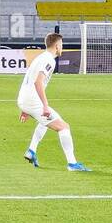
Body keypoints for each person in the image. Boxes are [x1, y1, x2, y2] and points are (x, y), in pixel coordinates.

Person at [18, 33, 89, 171]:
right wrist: (44, 106)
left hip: (25, 99)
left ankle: (31, 150)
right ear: (57, 45)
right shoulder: (49, 60)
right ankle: (72, 164)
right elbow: (38, 82)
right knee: (63, 127)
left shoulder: (41, 57)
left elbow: (29, 79)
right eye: (61, 44)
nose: (62, 47)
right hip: (32, 101)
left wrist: (25, 108)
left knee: (44, 121)